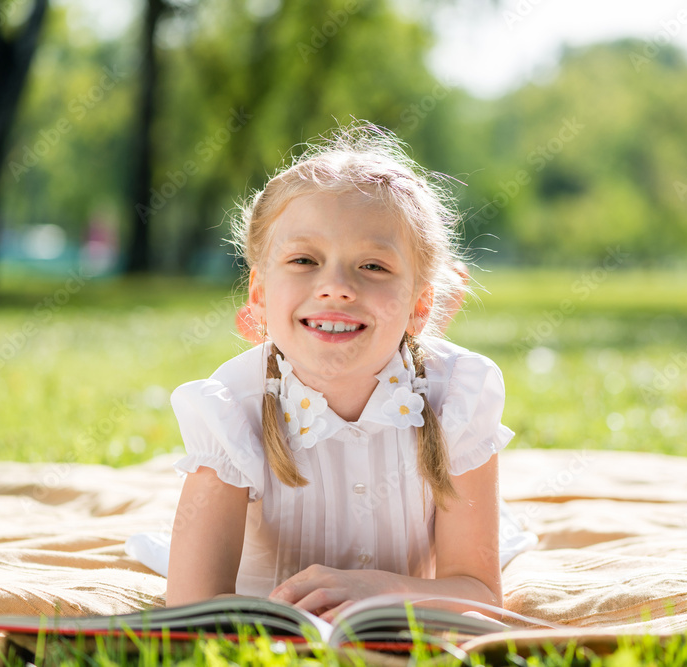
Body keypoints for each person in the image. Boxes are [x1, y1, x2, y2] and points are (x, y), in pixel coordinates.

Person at [163, 123, 534, 620]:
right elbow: (192, 606)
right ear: (259, 294)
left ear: (420, 303)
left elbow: (480, 591)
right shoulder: (231, 409)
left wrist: (377, 590)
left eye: (373, 267)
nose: (336, 286)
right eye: (303, 260)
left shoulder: (457, 396)